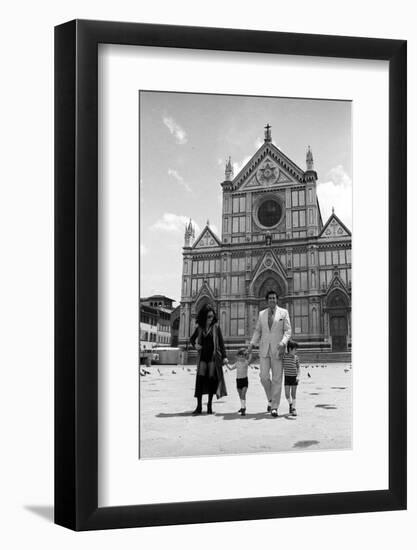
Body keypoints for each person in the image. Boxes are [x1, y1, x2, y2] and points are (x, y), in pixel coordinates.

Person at [247, 290, 291, 417]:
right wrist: (251, 344)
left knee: (277, 378)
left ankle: (274, 407)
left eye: (274, 298)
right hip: (264, 349)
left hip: (278, 349)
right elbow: (257, 331)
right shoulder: (262, 314)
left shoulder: (284, 312)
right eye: (270, 298)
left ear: (277, 299)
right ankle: (271, 398)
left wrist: (283, 342)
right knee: (263, 377)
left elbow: (288, 331)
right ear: (267, 300)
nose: (272, 300)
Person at [189, 304, 227, 415]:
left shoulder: (216, 327)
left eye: (212, 316)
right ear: (204, 317)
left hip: (212, 357)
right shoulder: (200, 328)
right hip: (202, 357)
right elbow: (192, 339)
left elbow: (221, 343)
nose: (211, 319)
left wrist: (224, 357)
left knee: (211, 380)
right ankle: (199, 406)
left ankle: (209, 405)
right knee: (200, 381)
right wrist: (195, 346)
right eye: (209, 316)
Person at [226, 348, 253, 416]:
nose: (241, 358)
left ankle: (243, 409)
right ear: (237, 356)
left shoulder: (246, 362)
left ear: (245, 356)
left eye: (243, 356)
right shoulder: (237, 363)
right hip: (238, 381)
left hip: (244, 380)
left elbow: (250, 358)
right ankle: (242, 406)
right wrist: (226, 363)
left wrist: (250, 351)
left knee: (243, 394)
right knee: (240, 396)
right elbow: (230, 368)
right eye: (240, 356)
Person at [283, 340, 300, 416]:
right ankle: (290, 404)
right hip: (287, 377)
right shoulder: (284, 356)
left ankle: (293, 408)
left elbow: (298, 368)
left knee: (293, 394)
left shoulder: (296, 358)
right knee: (287, 394)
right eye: (295, 350)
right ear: (290, 349)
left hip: (294, 378)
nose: (296, 351)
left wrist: (298, 376)